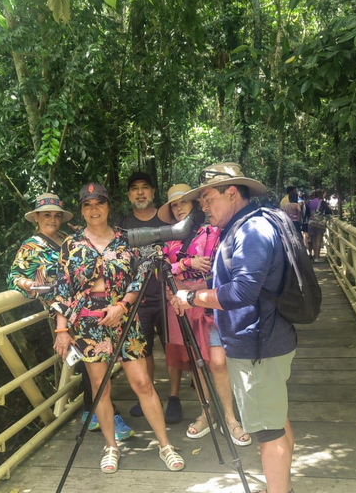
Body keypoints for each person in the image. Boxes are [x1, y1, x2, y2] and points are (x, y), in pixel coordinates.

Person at [171, 162, 297, 493]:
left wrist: (193, 296)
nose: (204, 207)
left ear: (231, 193)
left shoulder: (251, 231)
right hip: (264, 340)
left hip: (258, 345)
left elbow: (243, 291)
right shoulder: (246, 225)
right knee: (276, 420)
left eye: (208, 198)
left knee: (269, 432)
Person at [51, 182, 184, 474]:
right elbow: (63, 289)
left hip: (126, 316)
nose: (94, 209)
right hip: (88, 324)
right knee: (100, 388)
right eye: (88, 204)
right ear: (82, 210)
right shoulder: (71, 244)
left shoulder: (126, 239)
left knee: (142, 383)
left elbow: (139, 277)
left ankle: (165, 444)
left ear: (109, 206)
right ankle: (111, 446)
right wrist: (62, 331)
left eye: (99, 203)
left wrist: (122, 305)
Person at [7, 193, 134, 441]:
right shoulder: (31, 246)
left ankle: (93, 410)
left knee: (92, 365)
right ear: (36, 218)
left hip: (85, 309)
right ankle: (102, 412)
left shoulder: (69, 239)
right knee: (90, 365)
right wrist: (28, 283)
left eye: (56, 215)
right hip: (62, 313)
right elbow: (14, 277)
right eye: (47, 215)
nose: (52, 219)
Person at [158, 184, 252, 447]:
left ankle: (231, 417)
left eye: (183, 203)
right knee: (196, 362)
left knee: (218, 361)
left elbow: (217, 265)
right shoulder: (169, 237)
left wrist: (182, 275)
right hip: (180, 303)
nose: (178, 208)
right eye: (174, 205)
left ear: (194, 206)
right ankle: (206, 412)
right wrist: (186, 264)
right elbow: (162, 268)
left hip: (207, 300)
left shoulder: (212, 229)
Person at [118, 172, 182, 423]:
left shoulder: (166, 220)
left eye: (145, 187)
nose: (140, 192)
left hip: (167, 295)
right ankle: (148, 394)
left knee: (172, 348)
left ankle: (174, 397)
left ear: (153, 192)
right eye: (135, 189)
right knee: (142, 351)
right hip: (138, 301)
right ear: (128, 195)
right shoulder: (122, 226)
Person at [307, 189, 332, 262]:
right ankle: (316, 258)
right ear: (321, 194)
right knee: (318, 241)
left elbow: (307, 213)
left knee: (311, 240)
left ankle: (309, 255)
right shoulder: (322, 202)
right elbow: (328, 211)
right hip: (319, 224)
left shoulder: (310, 202)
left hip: (311, 223)